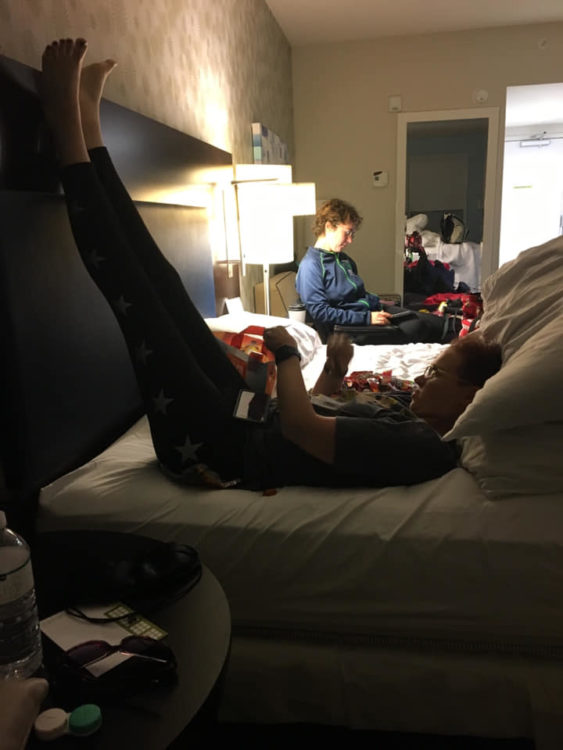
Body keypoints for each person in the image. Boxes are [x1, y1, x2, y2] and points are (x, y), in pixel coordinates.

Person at [39, 38, 501, 493]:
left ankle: (66, 128)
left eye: (438, 374)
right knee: (162, 279)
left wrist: (287, 355)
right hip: (244, 415)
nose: (423, 375)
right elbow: (321, 413)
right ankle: (91, 133)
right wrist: (335, 373)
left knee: (135, 293)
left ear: (469, 398)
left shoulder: (421, 445)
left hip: (215, 450)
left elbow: (302, 431)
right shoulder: (413, 418)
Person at [296, 198, 445, 344]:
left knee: (437, 322)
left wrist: (376, 300)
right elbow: (320, 313)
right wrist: (367, 318)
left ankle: (462, 332)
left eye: (352, 234)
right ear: (329, 227)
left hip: (369, 312)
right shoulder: (311, 266)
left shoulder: (344, 260)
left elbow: (357, 294)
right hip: (347, 328)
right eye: (347, 232)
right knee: (417, 327)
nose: (350, 240)